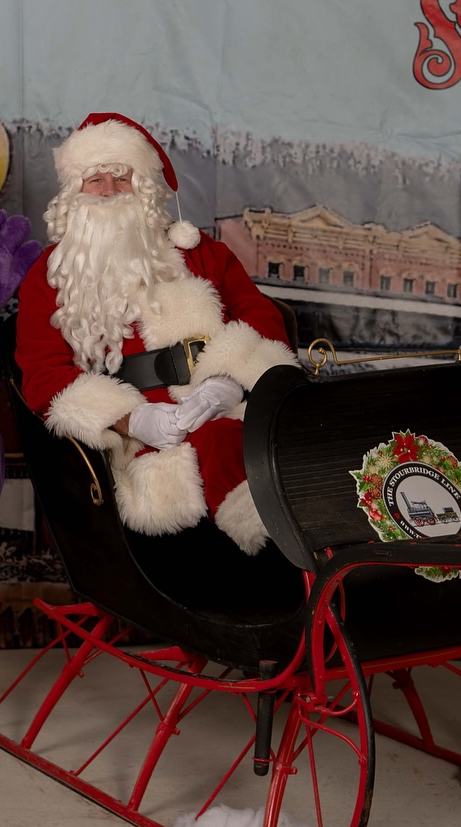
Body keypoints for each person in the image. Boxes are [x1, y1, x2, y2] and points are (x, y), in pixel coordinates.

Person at [15, 113, 298, 554]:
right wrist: (132, 419)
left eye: (121, 177)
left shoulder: (201, 253)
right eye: (94, 178)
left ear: (144, 188)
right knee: (224, 449)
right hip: (133, 446)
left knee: (292, 444)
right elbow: (42, 375)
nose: (108, 190)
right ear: (74, 190)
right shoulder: (49, 276)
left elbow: (261, 316)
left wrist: (228, 382)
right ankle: (291, 562)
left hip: (231, 410)